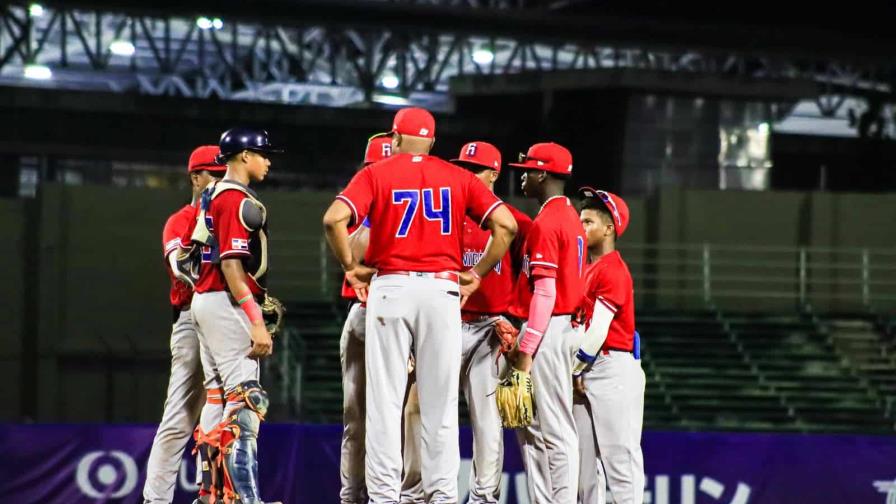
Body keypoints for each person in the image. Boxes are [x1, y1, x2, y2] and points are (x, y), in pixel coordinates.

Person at [322, 107, 518, 503]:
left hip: (390, 286)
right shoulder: (456, 175)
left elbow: (333, 219)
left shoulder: (377, 173)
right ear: (431, 142)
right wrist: (478, 271)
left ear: (394, 139)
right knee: (440, 405)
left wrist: (350, 266)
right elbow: (507, 226)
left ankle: (382, 497)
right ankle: (443, 496)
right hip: (441, 293)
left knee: (384, 402)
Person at [189, 127, 282, 504]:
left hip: (205, 300)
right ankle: (246, 497)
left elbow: (195, 255)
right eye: (262, 154)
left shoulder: (211, 194)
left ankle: (210, 494)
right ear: (244, 156)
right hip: (225, 300)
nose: (268, 160)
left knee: (217, 398)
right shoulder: (235, 200)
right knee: (247, 399)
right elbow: (231, 266)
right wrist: (255, 319)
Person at [143, 146, 226, 504]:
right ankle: (156, 499)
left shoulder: (236, 216)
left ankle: (216, 494)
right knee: (179, 416)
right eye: (215, 175)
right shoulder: (182, 220)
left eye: (226, 174)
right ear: (196, 177)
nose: (222, 181)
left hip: (229, 320)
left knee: (227, 411)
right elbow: (182, 268)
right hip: (193, 318)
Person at [506, 142, 586, 504]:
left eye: (526, 171)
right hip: (556, 327)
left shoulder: (549, 221)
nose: (522, 176)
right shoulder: (568, 215)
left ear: (542, 174)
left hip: (549, 328)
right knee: (531, 427)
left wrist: (526, 350)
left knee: (555, 428)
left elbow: (546, 293)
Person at [572, 187, 645, 504]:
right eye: (580, 220)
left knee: (620, 460)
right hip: (587, 368)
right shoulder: (585, 269)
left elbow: (598, 330)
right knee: (583, 466)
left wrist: (571, 370)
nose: (581, 227)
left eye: (588, 221)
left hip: (612, 367)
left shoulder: (613, 269)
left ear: (609, 228)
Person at [339, 132, 392, 504]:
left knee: (391, 418)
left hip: (391, 315)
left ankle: (387, 495)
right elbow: (355, 253)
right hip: (365, 313)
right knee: (358, 418)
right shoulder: (361, 206)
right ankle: (355, 495)